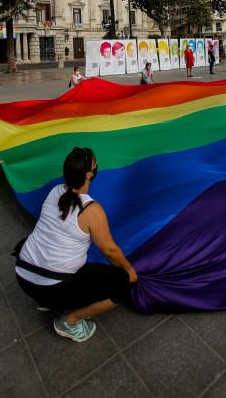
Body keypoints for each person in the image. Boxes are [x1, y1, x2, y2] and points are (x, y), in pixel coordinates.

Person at [14, 147, 137, 343]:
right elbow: (109, 250)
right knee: (122, 284)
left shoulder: (55, 191)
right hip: (50, 288)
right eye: (95, 164)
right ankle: (70, 321)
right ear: (89, 174)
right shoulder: (92, 210)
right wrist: (129, 270)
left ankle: (46, 301)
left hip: (22, 276)